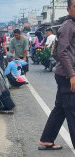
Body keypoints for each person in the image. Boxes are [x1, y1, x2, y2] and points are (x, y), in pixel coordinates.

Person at [38, 0, 75, 151]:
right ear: (68, 9)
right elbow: (62, 52)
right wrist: (72, 75)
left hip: (66, 74)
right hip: (67, 75)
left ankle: (46, 139)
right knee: (72, 109)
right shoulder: (67, 26)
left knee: (60, 108)